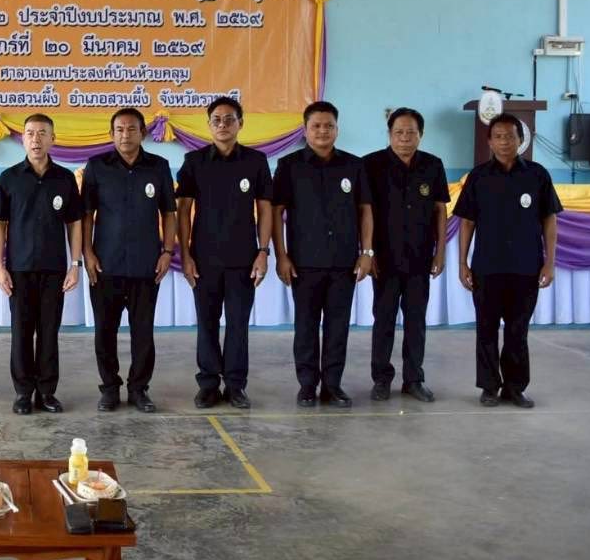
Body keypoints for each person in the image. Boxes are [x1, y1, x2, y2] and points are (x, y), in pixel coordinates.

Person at [454, 113, 561, 408]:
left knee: (518, 331)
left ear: (520, 140)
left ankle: (515, 388)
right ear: (490, 141)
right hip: (487, 267)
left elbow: (549, 220)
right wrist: (462, 263)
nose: (504, 142)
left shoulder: (537, 175)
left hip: (526, 268)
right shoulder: (478, 177)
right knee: (486, 330)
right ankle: (489, 387)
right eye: (498, 137)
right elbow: (467, 222)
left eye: (510, 136)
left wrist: (550, 262)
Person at [273, 101, 373, 408]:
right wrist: (281, 255)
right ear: (305, 130)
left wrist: (367, 252)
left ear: (337, 130)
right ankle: (307, 385)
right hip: (303, 263)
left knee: (337, 328)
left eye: (328, 125)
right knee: (305, 327)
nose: (322, 131)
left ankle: (332, 385)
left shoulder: (354, 166)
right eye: (316, 126)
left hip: (344, 263)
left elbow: (365, 210)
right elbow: (276, 212)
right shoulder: (289, 166)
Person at [175, 96, 273, 410]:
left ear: (240, 124)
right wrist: (185, 255)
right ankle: (208, 384)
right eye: (216, 119)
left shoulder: (256, 162)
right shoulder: (194, 162)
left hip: (243, 259)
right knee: (206, 323)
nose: (223, 125)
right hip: (203, 259)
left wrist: (263, 251)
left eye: (229, 119)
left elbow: (265, 209)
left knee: (238, 324)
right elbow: (183, 211)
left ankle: (235, 385)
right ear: (209, 125)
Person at [82, 108, 177, 413]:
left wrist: (167, 252)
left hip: (146, 265)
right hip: (104, 265)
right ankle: (109, 389)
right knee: (104, 331)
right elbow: (87, 215)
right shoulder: (97, 167)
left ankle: (139, 389)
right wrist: (87, 252)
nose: (125, 135)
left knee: (143, 332)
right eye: (120, 129)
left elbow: (169, 213)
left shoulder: (158, 167)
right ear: (111, 134)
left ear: (142, 133)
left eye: (132, 129)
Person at [0, 114, 84, 415]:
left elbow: (75, 223)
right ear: (23, 139)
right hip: (19, 270)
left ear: (53, 139)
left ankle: (46, 392)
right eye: (30, 133)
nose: (36, 139)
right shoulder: (10, 178)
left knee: (48, 332)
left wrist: (75, 264)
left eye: (42, 133)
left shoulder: (64, 179)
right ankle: (23, 392)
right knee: (21, 332)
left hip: (54, 269)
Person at [364, 107, 449, 403]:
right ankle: (381, 379)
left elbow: (440, 210)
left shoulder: (433, 165)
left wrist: (440, 252)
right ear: (389, 134)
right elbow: (364, 212)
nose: (404, 138)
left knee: (416, 321)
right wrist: (368, 252)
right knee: (383, 319)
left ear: (421, 135)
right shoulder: (371, 165)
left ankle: (414, 379)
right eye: (398, 132)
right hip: (384, 259)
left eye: (411, 132)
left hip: (419, 257)